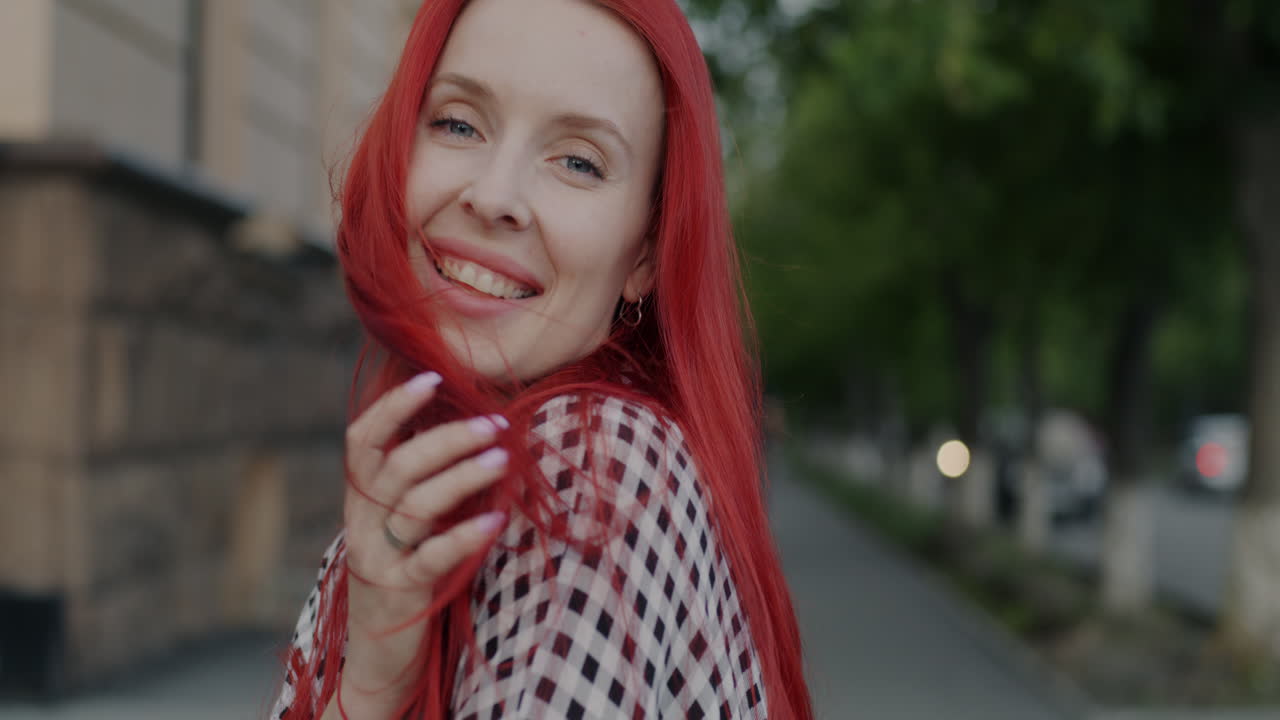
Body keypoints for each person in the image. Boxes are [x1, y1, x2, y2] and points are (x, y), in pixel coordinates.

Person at [270, 0, 813, 717]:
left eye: (579, 163)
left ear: (644, 255)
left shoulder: (595, 466)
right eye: (459, 123)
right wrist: (371, 679)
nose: (494, 197)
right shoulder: (419, 488)